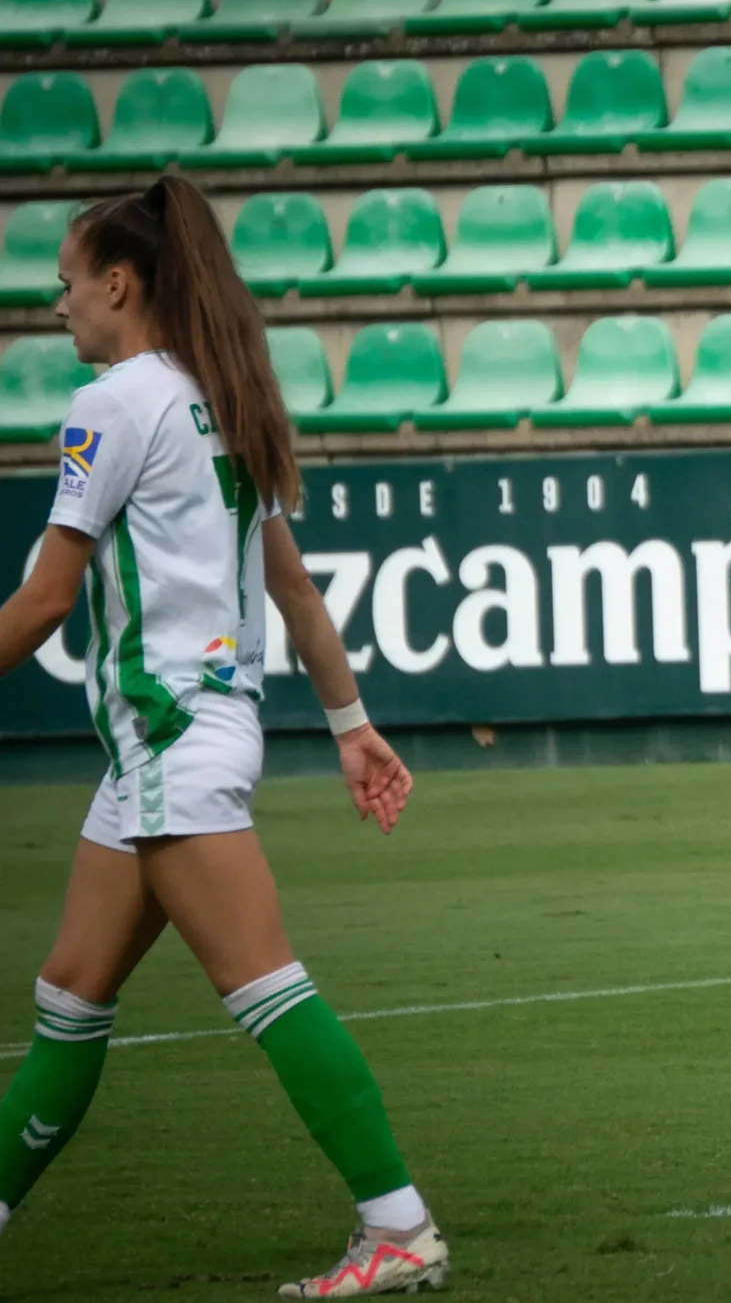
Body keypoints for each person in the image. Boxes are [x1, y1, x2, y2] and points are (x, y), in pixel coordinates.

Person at [0, 178, 447, 1298]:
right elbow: (290, 588)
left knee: (263, 983)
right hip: (204, 727)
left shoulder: (114, 403)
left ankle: (399, 1227)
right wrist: (351, 726)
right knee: (71, 989)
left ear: (118, 281)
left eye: (65, 283)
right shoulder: (220, 392)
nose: (57, 305)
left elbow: (48, 598)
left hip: (168, 734)